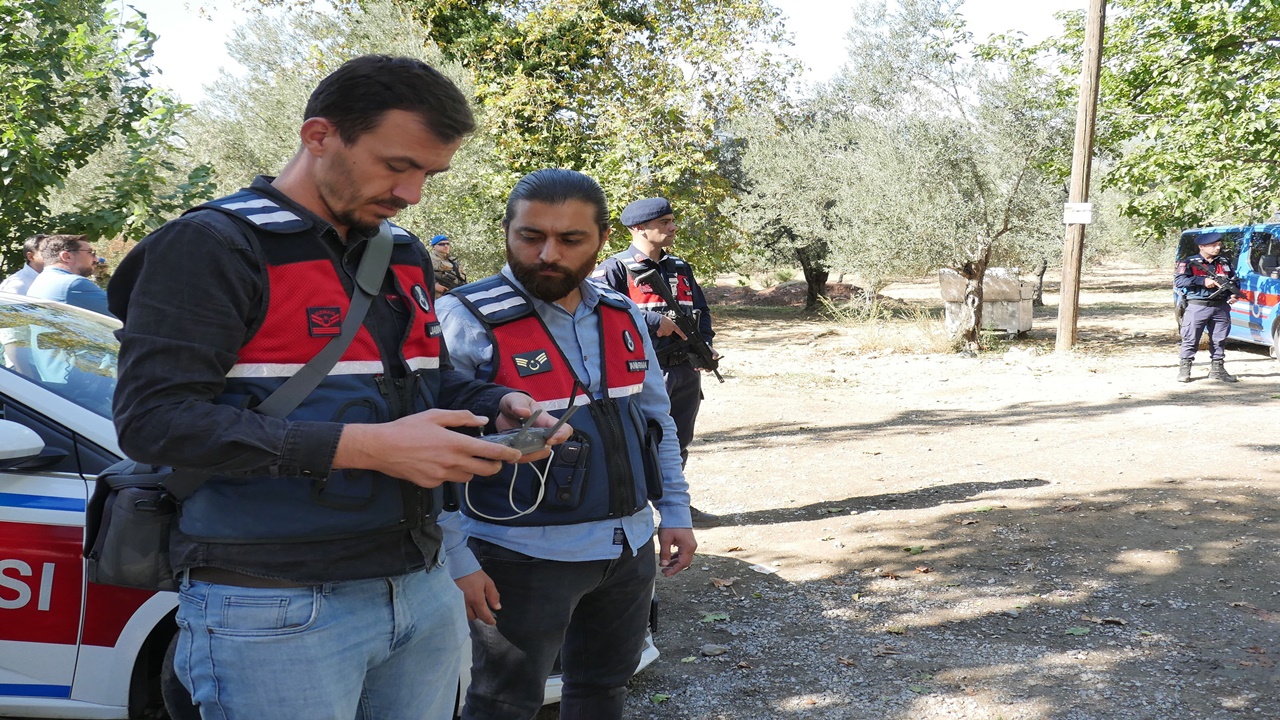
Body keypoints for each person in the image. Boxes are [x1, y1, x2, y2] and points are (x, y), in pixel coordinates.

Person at [107, 55, 567, 720]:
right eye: (396, 164)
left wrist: (499, 407)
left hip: (420, 583)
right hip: (275, 601)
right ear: (319, 136)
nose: (411, 193)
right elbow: (155, 422)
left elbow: (423, 385)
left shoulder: (401, 252)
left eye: (428, 174)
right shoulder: (209, 246)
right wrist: (365, 448)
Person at [437, 169, 696, 720]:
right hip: (518, 556)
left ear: (602, 239)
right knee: (501, 703)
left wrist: (674, 510)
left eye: (570, 239)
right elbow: (433, 446)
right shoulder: (465, 315)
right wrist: (456, 557)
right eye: (530, 236)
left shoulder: (623, 314)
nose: (546, 253)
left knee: (604, 690)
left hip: (627, 549)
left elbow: (658, 420)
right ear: (506, 230)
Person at [592, 197, 719, 526]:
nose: (672, 227)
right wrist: (650, 323)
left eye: (672, 220)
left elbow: (700, 312)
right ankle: (634, 507)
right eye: (664, 222)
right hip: (641, 372)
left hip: (684, 369)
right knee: (639, 439)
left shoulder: (679, 268)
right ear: (638, 228)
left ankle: (675, 507)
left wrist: (706, 345)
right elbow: (600, 312)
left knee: (678, 439)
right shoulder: (615, 269)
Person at [1175, 235, 1239, 383]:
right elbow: (1179, 281)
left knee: (1219, 339)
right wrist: (1202, 281)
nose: (1217, 248)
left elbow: (1234, 280)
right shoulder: (1189, 262)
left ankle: (1218, 370)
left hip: (1221, 307)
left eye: (1218, 245)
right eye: (1213, 245)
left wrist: (1233, 294)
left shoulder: (1224, 262)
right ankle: (1185, 371)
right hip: (1198, 306)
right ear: (1201, 247)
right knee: (1191, 339)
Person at [26, 234, 112, 317]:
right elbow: (122, 313)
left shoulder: (40, 280)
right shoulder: (74, 284)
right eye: (90, 253)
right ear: (67, 256)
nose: (96, 259)